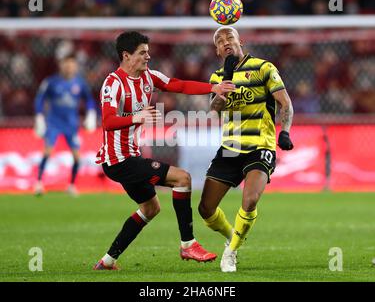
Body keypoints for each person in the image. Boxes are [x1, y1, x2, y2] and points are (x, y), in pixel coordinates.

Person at [93, 31, 235, 270]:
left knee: (151, 208)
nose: (148, 56)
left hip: (131, 155)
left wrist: (215, 87)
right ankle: (188, 243)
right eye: (142, 53)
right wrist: (136, 116)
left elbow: (178, 85)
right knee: (183, 178)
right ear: (126, 56)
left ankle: (107, 261)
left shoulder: (148, 77)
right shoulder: (113, 84)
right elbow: (107, 122)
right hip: (118, 160)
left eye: (148, 52)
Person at [198, 26, 294, 272]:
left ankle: (230, 253)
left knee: (250, 200)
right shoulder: (217, 76)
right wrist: (226, 83)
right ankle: (233, 236)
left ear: (242, 41)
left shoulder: (264, 68)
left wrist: (285, 131)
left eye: (230, 37)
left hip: (260, 146)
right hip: (230, 148)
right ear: (217, 50)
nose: (225, 42)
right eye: (220, 40)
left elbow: (285, 103)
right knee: (205, 209)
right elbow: (214, 109)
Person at [34, 53, 97, 196]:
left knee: (77, 157)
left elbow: (89, 100)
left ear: (75, 66)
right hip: (53, 123)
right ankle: (38, 183)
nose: (69, 67)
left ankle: (71, 185)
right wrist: (39, 116)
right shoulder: (51, 82)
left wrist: (91, 113)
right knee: (48, 151)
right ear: (61, 65)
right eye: (66, 64)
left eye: (72, 64)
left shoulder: (80, 83)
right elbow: (40, 99)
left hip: (71, 125)